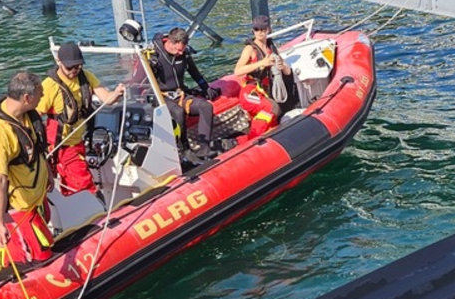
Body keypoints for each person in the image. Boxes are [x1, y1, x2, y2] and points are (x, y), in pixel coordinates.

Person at [0, 71, 53, 265]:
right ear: (27, 97)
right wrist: (0, 223)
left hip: (35, 194)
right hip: (18, 202)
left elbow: (38, 150)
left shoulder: (27, 116)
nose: (43, 97)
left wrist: (48, 174)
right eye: (40, 94)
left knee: (41, 236)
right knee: (37, 254)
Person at [38, 42, 124, 196]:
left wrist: (117, 93)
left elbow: (106, 98)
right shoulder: (50, 86)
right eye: (69, 67)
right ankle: (93, 209)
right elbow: (35, 115)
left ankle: (72, 204)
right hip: (60, 144)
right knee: (82, 182)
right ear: (59, 62)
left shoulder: (86, 77)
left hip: (77, 140)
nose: (74, 71)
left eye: (77, 67)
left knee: (70, 181)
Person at [129, 27, 219, 160]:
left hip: (180, 94)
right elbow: (136, 82)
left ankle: (204, 149)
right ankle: (184, 149)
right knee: (178, 112)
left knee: (206, 107)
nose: (180, 53)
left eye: (182, 50)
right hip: (160, 97)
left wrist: (206, 88)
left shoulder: (183, 54)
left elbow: (195, 73)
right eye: (178, 50)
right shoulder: (152, 55)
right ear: (170, 42)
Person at [233, 15, 296, 130]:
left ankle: (266, 132)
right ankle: (255, 136)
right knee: (272, 108)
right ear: (253, 30)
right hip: (249, 92)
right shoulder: (250, 49)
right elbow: (237, 70)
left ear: (268, 29)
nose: (260, 32)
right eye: (257, 29)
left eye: (263, 29)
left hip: (265, 91)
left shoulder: (271, 48)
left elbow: (287, 71)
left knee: (278, 114)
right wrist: (261, 63)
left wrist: (282, 67)